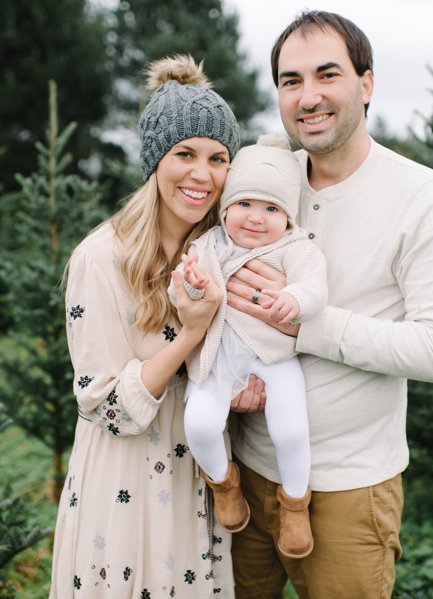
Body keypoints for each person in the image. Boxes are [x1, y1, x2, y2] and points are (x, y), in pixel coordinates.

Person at [224, 11, 433, 599]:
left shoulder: (423, 198)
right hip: (238, 476)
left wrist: (303, 324)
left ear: (366, 84)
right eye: (291, 81)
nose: (308, 97)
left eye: (327, 75)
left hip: (347, 491)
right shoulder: (266, 183)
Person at [50, 55, 247, 599]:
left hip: (199, 483)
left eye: (218, 158)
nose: (202, 175)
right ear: (155, 160)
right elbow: (106, 407)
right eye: (184, 154)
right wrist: (189, 334)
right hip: (127, 489)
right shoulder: (101, 258)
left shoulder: (222, 254)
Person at [168, 134, 328, 560]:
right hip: (218, 358)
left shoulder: (293, 247)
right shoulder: (207, 245)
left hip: (274, 356)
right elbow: (179, 290)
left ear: (287, 215)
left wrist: (295, 300)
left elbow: (315, 286)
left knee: (290, 429)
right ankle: (224, 484)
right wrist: (193, 286)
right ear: (225, 209)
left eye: (271, 209)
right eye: (244, 205)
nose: (256, 218)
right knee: (200, 425)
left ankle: (295, 503)